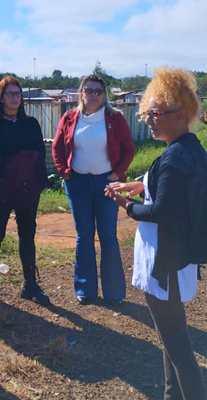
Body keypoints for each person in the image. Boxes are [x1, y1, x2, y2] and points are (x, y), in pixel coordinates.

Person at [105, 67, 207, 400]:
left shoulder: (175, 157)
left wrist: (125, 204)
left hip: (163, 264)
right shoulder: (190, 149)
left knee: (177, 347)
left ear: (181, 115)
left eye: (155, 113)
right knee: (171, 339)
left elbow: (162, 211)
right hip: (176, 260)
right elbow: (175, 192)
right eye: (148, 112)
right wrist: (142, 184)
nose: (148, 119)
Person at [52, 74, 135, 305]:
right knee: (84, 236)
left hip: (107, 185)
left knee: (108, 236)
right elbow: (57, 147)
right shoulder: (69, 118)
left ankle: (114, 293)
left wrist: (116, 175)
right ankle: (85, 290)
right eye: (89, 90)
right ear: (81, 93)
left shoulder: (115, 118)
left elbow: (129, 149)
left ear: (104, 94)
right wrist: (65, 173)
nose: (94, 95)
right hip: (77, 184)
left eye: (98, 91)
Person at [0, 76, 50, 307]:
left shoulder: (31, 124)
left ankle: (30, 284)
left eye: (18, 94)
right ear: (1, 97)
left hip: (27, 188)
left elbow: (39, 153)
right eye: (10, 94)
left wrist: (34, 179)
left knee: (27, 234)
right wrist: (18, 167)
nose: (15, 98)